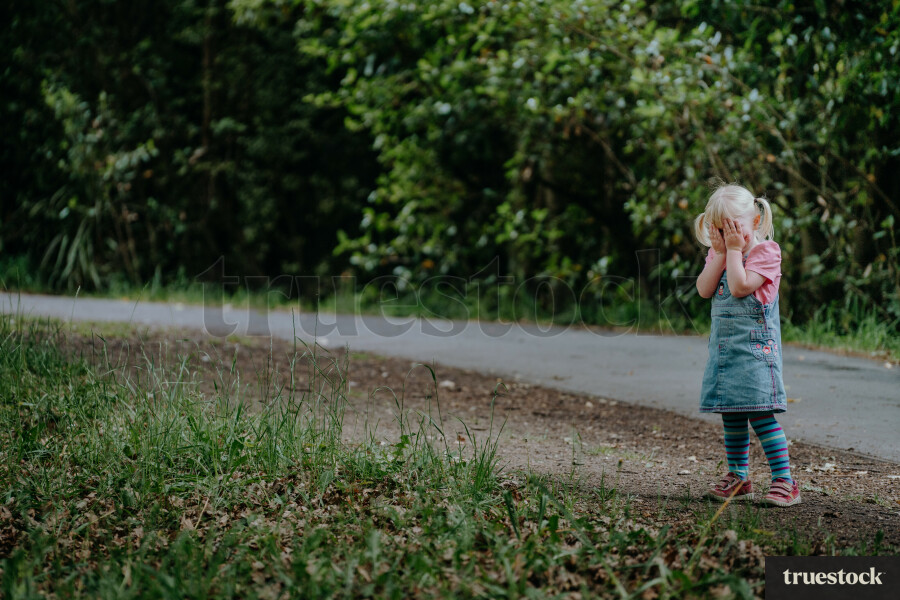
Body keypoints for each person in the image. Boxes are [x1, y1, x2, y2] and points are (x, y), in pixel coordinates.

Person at [693, 183, 800, 507]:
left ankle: (785, 481)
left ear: (754, 222)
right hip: (726, 352)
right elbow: (704, 289)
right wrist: (722, 253)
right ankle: (739, 477)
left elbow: (740, 287)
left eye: (732, 228)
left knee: (761, 415)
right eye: (719, 230)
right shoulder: (721, 254)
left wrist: (733, 252)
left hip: (755, 354)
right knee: (732, 415)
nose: (726, 236)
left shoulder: (766, 253)